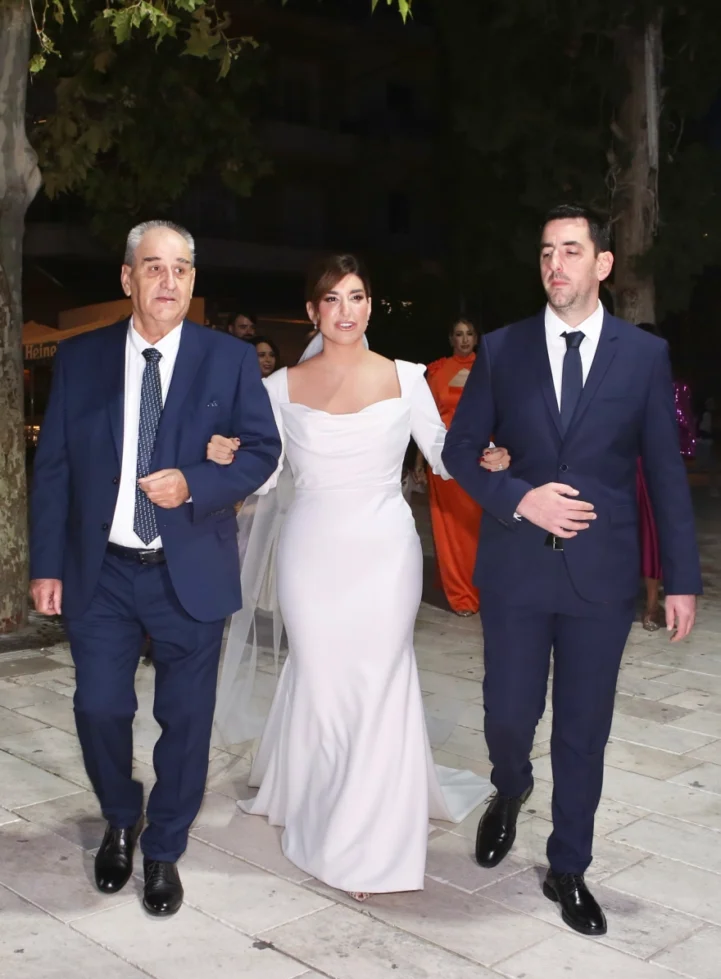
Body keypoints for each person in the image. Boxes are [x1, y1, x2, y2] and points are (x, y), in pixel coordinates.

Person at [209, 253, 508, 902]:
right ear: (313, 311)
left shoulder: (407, 377)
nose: (345, 310)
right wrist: (224, 456)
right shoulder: (279, 388)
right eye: (332, 299)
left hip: (385, 552)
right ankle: (317, 796)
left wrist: (487, 456)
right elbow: (263, 475)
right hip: (311, 553)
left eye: (356, 297)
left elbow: (444, 456)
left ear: (370, 306)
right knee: (322, 678)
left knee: (377, 680)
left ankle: (367, 840)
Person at [443, 205, 701, 936]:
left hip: (602, 574)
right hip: (517, 570)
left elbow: (663, 471)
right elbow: (460, 451)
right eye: (546, 253)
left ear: (602, 264)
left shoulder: (642, 356)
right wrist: (518, 496)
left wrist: (680, 578)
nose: (555, 265)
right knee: (507, 715)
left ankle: (569, 867)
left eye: (570, 251)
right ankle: (510, 786)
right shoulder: (503, 349)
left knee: (583, 729)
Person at [29, 221, 281, 918]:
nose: (168, 281)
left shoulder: (228, 360)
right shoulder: (81, 358)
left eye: (181, 269)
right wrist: (46, 564)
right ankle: (120, 816)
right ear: (127, 277)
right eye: (153, 267)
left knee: (186, 720)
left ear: (193, 280)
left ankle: (165, 844)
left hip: (187, 569)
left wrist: (196, 482)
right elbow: (54, 468)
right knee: (98, 706)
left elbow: (263, 452)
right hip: (101, 572)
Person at [414, 316, 484, 615]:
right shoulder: (437, 372)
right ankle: (461, 595)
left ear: (477, 338)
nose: (464, 339)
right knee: (450, 529)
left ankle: (482, 588)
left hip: (482, 458)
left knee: (478, 529)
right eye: (459, 334)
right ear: (451, 339)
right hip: (444, 460)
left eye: (469, 334)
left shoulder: (489, 369)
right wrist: (419, 462)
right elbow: (423, 421)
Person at [634, 323, 697, 631]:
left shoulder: (675, 388)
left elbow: (683, 435)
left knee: (651, 536)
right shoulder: (615, 382)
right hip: (619, 468)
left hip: (649, 471)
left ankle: (651, 604)